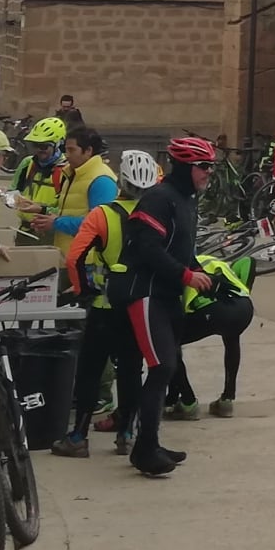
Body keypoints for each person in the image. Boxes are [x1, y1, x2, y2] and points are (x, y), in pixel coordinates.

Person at [119, 137, 219, 477]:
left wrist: (202, 273)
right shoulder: (159, 198)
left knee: (167, 366)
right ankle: (144, 448)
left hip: (168, 294)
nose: (208, 173)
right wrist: (186, 275)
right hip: (145, 293)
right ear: (185, 167)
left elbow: (182, 248)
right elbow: (147, 248)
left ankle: (150, 443)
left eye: (210, 167)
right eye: (203, 167)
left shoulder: (186, 200)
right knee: (161, 366)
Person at [55, 151, 160, 459]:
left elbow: (75, 258)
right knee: (131, 369)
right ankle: (126, 433)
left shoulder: (102, 215)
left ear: (121, 182)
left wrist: (83, 289)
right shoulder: (157, 216)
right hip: (138, 306)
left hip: (104, 306)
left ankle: (78, 436)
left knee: (90, 369)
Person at [170, 252, 255, 418]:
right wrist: (246, 287)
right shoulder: (216, 263)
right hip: (244, 308)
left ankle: (187, 403)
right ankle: (227, 400)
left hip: (212, 310)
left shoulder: (182, 265)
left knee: (167, 344)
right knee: (232, 336)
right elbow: (248, 261)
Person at [45, 122, 121, 251]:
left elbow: (100, 224)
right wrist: (43, 212)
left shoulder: (101, 179)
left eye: (72, 150)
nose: (67, 155)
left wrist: (57, 222)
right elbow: (71, 211)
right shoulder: (73, 172)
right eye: (66, 150)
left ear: (88, 151)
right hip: (68, 252)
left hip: (86, 257)